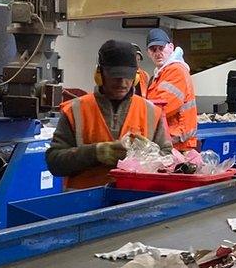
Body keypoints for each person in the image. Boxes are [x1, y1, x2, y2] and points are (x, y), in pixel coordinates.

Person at [46, 40, 170, 190]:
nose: (123, 83)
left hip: (135, 202)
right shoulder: (75, 110)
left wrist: (148, 153)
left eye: (127, 77)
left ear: (136, 76)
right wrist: (95, 153)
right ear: (100, 74)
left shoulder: (151, 112)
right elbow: (54, 162)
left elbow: (168, 160)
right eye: (115, 76)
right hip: (84, 205)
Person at [146, 28, 199, 151]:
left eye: (161, 48)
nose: (158, 52)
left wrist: (137, 114)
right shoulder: (160, 74)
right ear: (148, 53)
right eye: (153, 49)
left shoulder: (175, 71)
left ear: (171, 47)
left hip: (177, 143)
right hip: (170, 141)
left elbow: (164, 106)